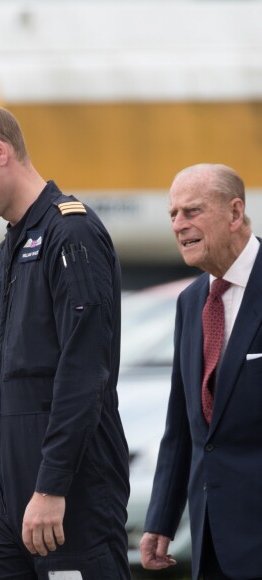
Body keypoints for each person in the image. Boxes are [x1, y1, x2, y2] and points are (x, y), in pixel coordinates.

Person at [0, 102, 130, 579]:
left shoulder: (72, 234)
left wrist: (52, 486)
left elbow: (85, 374)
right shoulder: (8, 249)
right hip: (2, 490)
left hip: (69, 490)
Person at [139, 163, 262, 579]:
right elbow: (182, 426)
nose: (178, 225)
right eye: (172, 214)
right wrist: (161, 519)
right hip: (211, 537)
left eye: (191, 211)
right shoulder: (191, 301)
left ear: (233, 213)